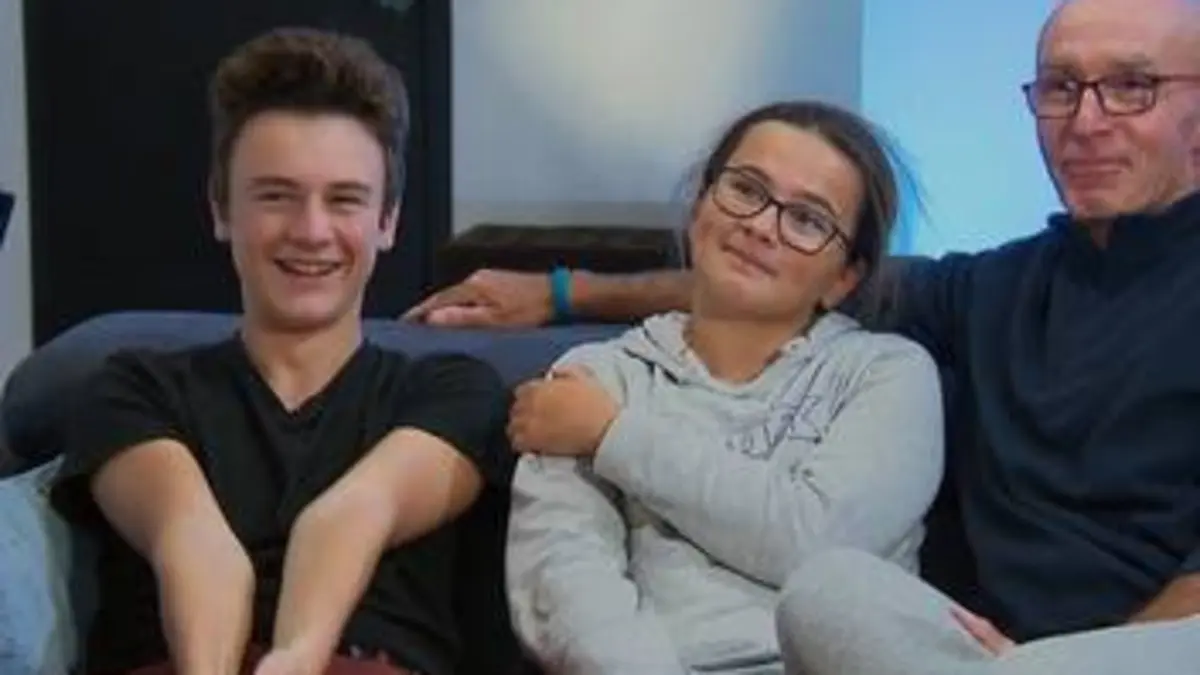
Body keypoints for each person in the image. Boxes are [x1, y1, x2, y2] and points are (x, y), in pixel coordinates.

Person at [407, 0, 1200, 671]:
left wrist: (1072, 660)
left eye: (1131, 87)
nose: (1087, 120)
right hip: (965, 655)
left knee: (831, 589)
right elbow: (769, 280)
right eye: (1061, 87)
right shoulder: (989, 290)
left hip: (1143, 651)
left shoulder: (882, 369)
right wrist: (563, 291)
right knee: (842, 601)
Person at [49, 28, 511, 675]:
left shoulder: (454, 392)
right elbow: (194, 544)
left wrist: (295, 657)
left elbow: (355, 514)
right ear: (221, 209)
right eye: (276, 196)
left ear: (387, 221)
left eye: (344, 200)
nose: (312, 231)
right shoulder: (134, 388)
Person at [502, 100, 944, 674]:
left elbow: (821, 546)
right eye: (746, 189)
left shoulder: (887, 373)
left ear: (843, 278)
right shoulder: (596, 377)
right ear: (700, 206)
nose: (760, 226)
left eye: (807, 220)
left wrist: (612, 434)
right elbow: (566, 584)